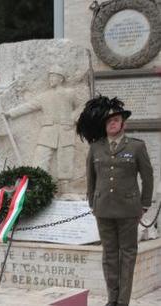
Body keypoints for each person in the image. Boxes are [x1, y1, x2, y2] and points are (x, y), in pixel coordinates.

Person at [78, 96, 154, 306]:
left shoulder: (137, 147)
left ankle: (123, 301)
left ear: (123, 124)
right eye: (109, 121)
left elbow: (147, 176)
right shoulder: (95, 147)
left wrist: (145, 204)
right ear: (105, 124)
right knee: (109, 255)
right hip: (103, 209)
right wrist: (93, 202)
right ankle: (112, 300)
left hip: (129, 209)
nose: (112, 123)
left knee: (127, 255)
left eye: (116, 120)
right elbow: (91, 177)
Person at [3, 68, 81, 180]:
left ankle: (66, 189)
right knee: (40, 158)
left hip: (65, 130)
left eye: (53, 76)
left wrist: (73, 118)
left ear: (60, 78)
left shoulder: (70, 93)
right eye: (50, 76)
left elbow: (82, 106)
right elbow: (29, 106)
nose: (50, 79)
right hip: (48, 131)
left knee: (66, 159)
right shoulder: (44, 96)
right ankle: (39, 183)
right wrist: (10, 113)